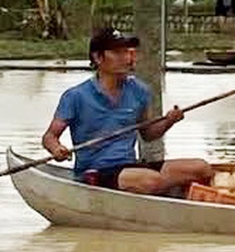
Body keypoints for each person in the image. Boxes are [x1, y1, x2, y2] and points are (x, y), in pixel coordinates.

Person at [41, 28, 213, 194]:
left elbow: (148, 134)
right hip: (96, 171)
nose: (127, 58)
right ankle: (160, 189)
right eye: (118, 53)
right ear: (98, 57)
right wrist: (57, 149)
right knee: (151, 180)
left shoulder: (139, 91)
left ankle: (163, 191)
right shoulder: (75, 96)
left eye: (128, 51)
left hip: (131, 168)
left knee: (202, 168)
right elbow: (49, 137)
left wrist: (169, 120)